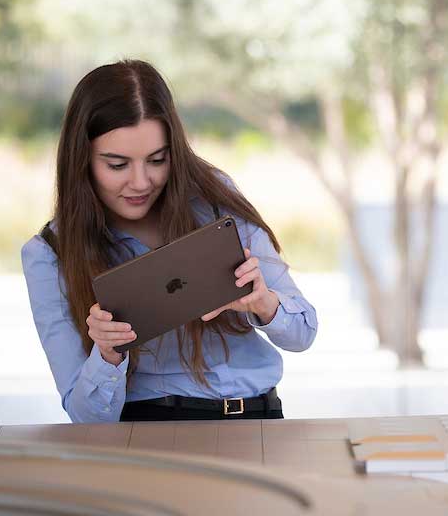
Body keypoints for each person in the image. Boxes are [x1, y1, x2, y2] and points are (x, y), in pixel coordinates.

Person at [22, 60, 317, 423]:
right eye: (117, 165)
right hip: (157, 433)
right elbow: (87, 418)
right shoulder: (49, 254)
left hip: (261, 423)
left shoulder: (214, 199)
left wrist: (263, 303)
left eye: (157, 160)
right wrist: (107, 354)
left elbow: (304, 332)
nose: (141, 182)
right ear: (81, 161)